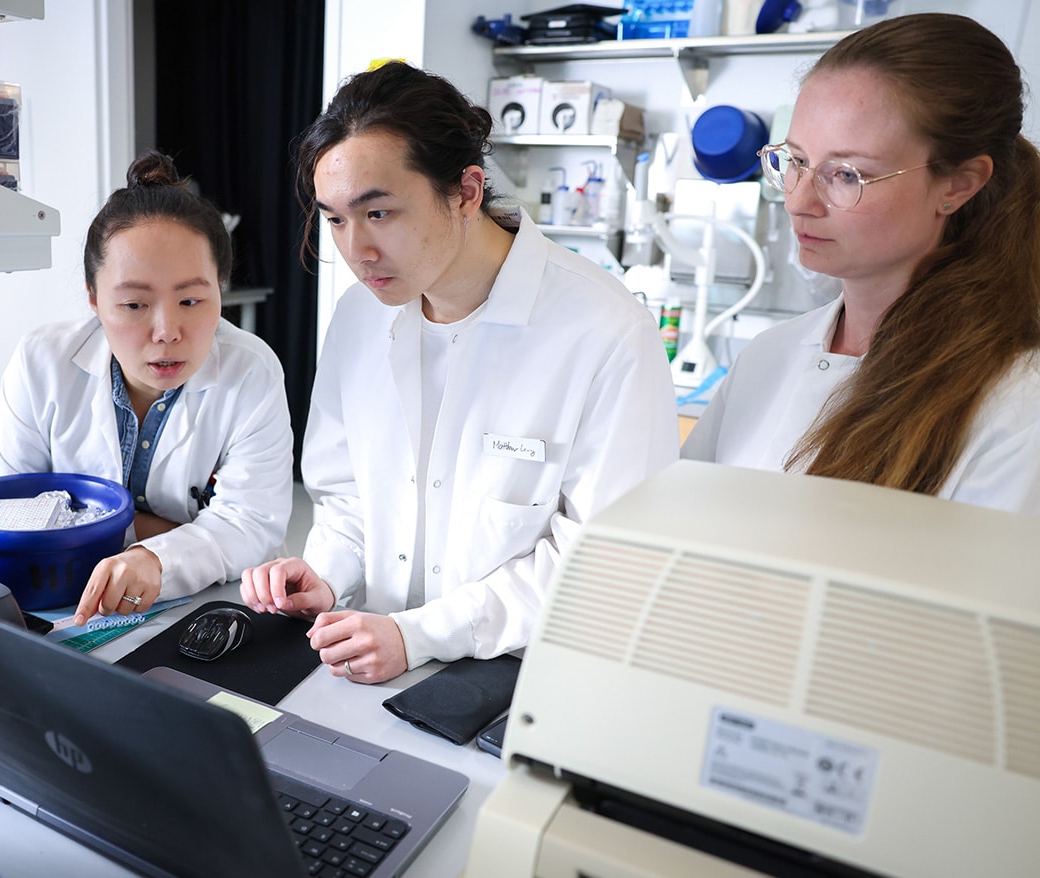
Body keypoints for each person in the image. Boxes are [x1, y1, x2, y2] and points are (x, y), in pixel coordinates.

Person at [240, 61, 679, 684]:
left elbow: (601, 561)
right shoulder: (360, 316)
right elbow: (345, 497)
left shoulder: (605, 332)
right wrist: (328, 573)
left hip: (519, 682)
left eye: (380, 213)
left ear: (467, 192)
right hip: (371, 666)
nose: (356, 250)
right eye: (335, 218)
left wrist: (422, 635)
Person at [682, 14, 1040, 515]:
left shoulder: (1017, 402)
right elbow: (677, 528)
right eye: (797, 161)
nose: (798, 201)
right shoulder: (769, 356)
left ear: (957, 185)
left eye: (846, 175)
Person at [0, 151, 295, 621]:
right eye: (134, 305)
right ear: (94, 298)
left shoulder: (251, 373)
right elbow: (16, 520)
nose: (167, 330)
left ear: (221, 290)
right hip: (55, 606)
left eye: (191, 300)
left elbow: (252, 526)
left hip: (199, 609)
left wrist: (154, 557)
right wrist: (175, 532)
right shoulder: (41, 363)